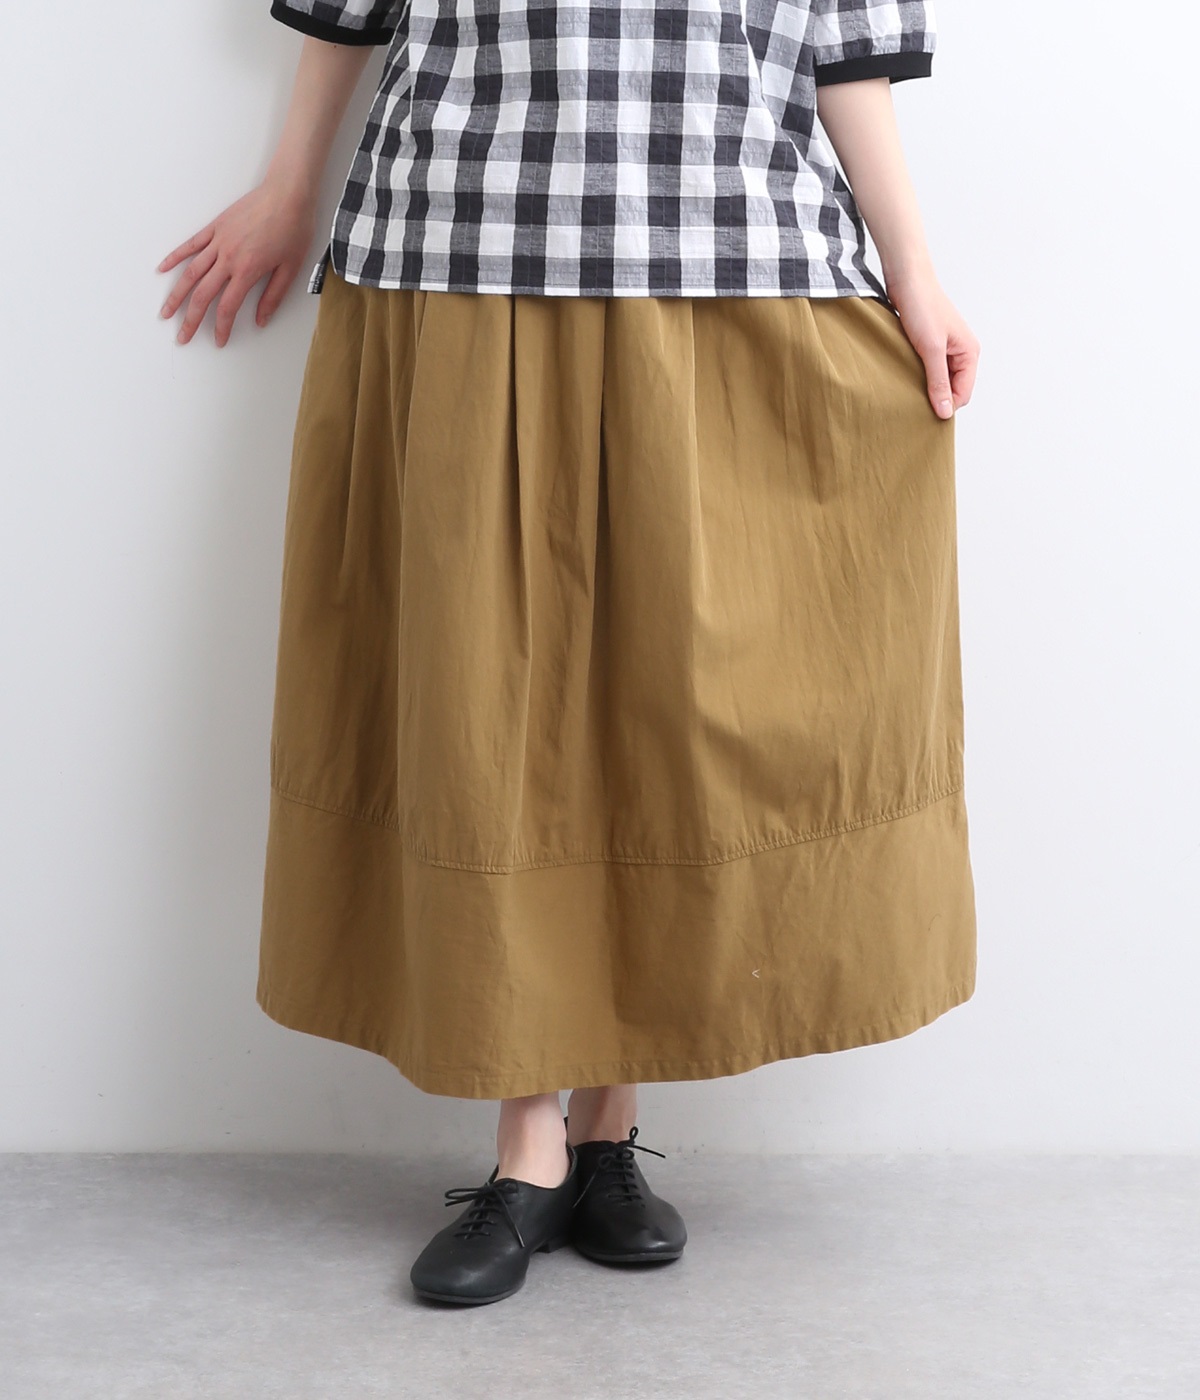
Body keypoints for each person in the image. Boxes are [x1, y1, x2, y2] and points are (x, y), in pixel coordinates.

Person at [157, 0, 980, 1309]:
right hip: (462, 260)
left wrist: (915, 270)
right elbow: (345, 13)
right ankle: (528, 1145)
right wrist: (287, 186)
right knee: (491, 712)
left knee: (661, 711)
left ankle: (607, 1133)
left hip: (736, 269)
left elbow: (846, 56)